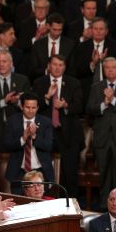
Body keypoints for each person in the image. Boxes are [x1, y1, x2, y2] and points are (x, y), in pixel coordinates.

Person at [86, 57, 116, 209]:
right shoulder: (96, 86)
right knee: (104, 173)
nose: (110, 70)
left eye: (113, 67)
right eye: (107, 68)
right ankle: (104, 204)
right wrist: (104, 104)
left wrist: (113, 99)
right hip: (102, 137)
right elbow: (90, 109)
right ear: (104, 69)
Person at [33, 54, 84, 198]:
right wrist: (47, 98)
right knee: (44, 172)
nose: (57, 68)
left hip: (69, 133)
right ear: (49, 66)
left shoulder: (73, 83)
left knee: (70, 173)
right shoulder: (39, 83)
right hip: (45, 133)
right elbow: (33, 106)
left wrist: (65, 105)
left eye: (61, 65)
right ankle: (46, 201)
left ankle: (70, 204)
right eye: (54, 64)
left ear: (65, 67)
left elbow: (80, 106)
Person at [4, 92, 54, 194]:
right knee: (18, 204)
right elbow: (7, 145)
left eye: (33, 107)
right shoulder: (12, 121)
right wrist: (23, 138)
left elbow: (49, 146)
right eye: (27, 107)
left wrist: (34, 136)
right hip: (18, 172)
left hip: (41, 172)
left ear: (38, 107)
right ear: (22, 106)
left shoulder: (46, 122)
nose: (31, 111)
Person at [0, 50, 30, 153]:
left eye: (4, 61)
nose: (1, 64)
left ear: (11, 63)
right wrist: (4, 101)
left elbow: (29, 106)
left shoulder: (22, 80)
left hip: (18, 133)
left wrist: (17, 102)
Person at [72, 17, 116, 105]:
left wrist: (105, 63)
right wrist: (93, 64)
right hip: (88, 91)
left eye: (101, 29)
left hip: (110, 90)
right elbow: (77, 71)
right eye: (95, 29)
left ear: (106, 31)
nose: (98, 31)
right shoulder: (81, 47)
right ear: (91, 30)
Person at [30, 13, 75, 80]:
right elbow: (33, 69)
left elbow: (73, 69)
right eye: (54, 29)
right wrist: (46, 71)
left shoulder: (70, 44)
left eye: (60, 30)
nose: (57, 33)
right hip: (42, 81)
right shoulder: (38, 44)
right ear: (48, 26)